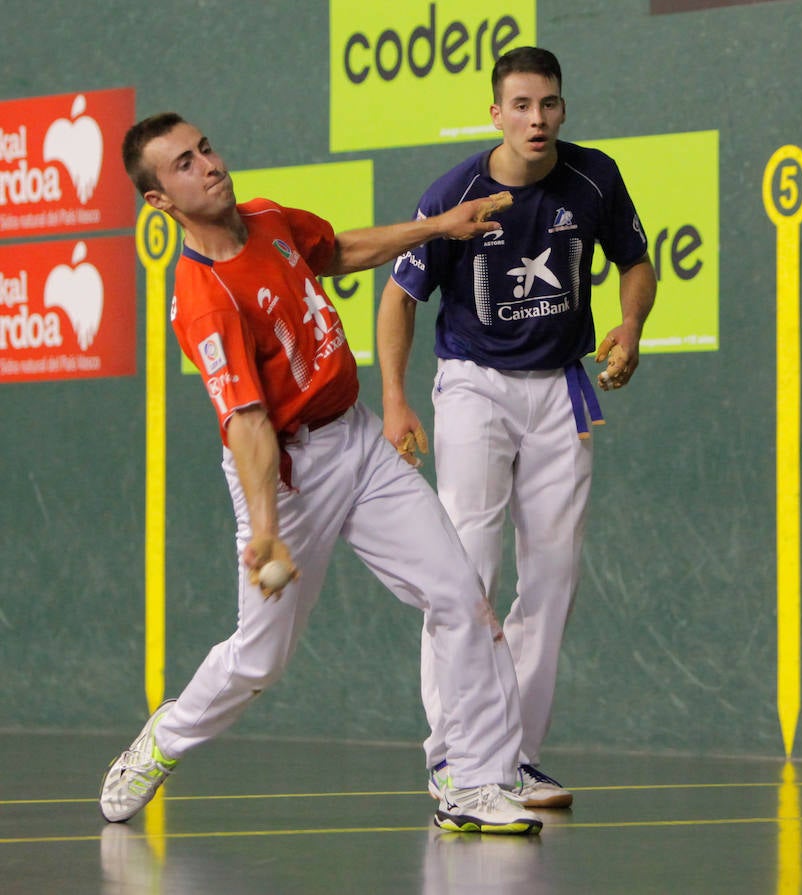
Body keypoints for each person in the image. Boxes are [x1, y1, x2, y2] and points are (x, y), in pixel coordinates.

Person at [99, 112, 543, 836]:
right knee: (260, 660)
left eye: (205, 148)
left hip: (360, 442)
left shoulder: (268, 218)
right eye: (183, 164)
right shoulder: (205, 298)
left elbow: (335, 249)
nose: (208, 165)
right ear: (160, 200)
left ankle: (474, 780)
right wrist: (268, 531)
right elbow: (246, 422)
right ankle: (163, 740)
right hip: (288, 474)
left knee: (461, 595)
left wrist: (437, 227)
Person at [377, 47, 657, 809]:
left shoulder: (595, 177)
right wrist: (396, 399)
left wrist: (629, 325)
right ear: (495, 112)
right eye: (522, 105)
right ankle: (452, 755)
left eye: (550, 105)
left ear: (563, 109)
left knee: (554, 574)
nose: (538, 119)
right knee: (464, 572)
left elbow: (636, 260)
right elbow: (399, 297)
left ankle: (517, 757)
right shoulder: (456, 192)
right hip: (474, 387)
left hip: (562, 389)